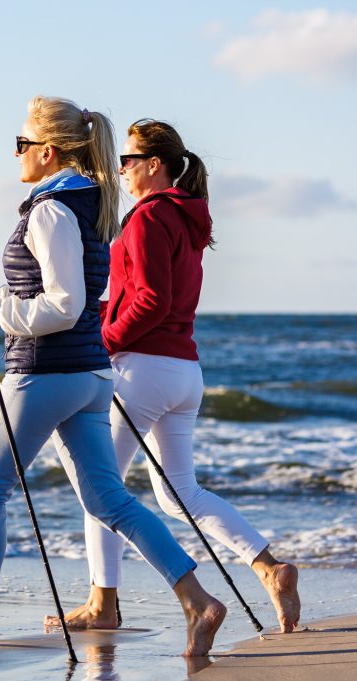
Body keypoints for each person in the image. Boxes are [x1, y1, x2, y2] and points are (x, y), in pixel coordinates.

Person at [0, 97, 226, 656]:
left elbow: (62, 304)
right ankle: (198, 601)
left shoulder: (51, 210)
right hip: (89, 374)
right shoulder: (91, 205)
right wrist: (1, 298)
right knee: (109, 499)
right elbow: (72, 298)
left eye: (20, 144)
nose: (15, 155)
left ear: (48, 150)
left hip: (44, 372)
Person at [48, 119, 301, 634]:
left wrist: (105, 339)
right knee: (178, 491)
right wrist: (98, 313)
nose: (120, 170)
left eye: (127, 161)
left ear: (153, 165)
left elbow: (150, 300)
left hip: (142, 370)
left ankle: (102, 605)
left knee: (101, 489)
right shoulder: (187, 217)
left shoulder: (146, 219)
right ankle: (269, 568)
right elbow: (148, 294)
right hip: (184, 371)